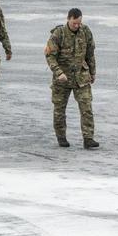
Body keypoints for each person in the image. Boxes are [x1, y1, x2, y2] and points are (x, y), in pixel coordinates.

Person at [44, 8, 98, 149]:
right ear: (68, 19)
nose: (77, 26)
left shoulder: (85, 31)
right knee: (59, 109)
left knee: (86, 107)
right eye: (74, 23)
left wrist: (92, 72)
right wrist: (58, 72)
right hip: (63, 78)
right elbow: (50, 56)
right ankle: (61, 136)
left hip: (81, 76)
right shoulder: (58, 33)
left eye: (79, 23)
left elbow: (90, 53)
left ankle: (88, 138)